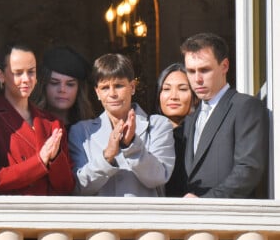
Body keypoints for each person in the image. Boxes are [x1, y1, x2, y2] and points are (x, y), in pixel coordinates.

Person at [68, 53, 175, 196]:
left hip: (144, 217)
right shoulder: (81, 131)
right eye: (105, 87)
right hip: (100, 218)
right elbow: (78, 186)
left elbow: (158, 177)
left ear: (132, 87)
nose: (112, 93)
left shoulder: (157, 125)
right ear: (97, 93)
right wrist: (107, 157)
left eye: (118, 85)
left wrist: (131, 145)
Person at [180, 32, 269, 198]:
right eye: (191, 71)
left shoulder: (245, 107)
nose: (197, 79)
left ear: (225, 66)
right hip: (193, 217)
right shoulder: (192, 117)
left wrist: (205, 201)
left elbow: (248, 169)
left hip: (229, 217)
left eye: (204, 70)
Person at [0, 43, 75, 195]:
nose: (26, 79)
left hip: (48, 215)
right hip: (7, 215)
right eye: (18, 73)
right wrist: (39, 161)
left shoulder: (52, 123)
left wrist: (55, 158)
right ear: (0, 75)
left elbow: (66, 187)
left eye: (31, 72)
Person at [155, 63, 198, 197]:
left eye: (183, 89)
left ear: (195, 97)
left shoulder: (200, 136)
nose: (173, 96)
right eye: (166, 89)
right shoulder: (148, 134)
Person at [32, 45, 94, 131]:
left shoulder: (91, 130)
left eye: (70, 84)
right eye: (54, 83)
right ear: (44, 85)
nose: (62, 89)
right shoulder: (31, 125)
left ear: (79, 89)